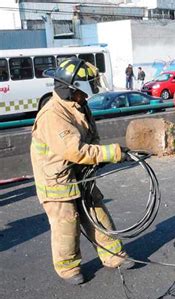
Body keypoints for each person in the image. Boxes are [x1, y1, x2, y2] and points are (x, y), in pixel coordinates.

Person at [31, 57, 133, 285]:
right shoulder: (53, 116)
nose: (87, 95)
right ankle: (68, 268)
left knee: (97, 212)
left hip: (80, 173)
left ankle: (113, 256)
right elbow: (75, 150)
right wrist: (112, 153)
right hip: (56, 179)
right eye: (83, 90)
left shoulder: (79, 106)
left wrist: (98, 157)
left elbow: (91, 136)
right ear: (69, 89)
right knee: (67, 222)